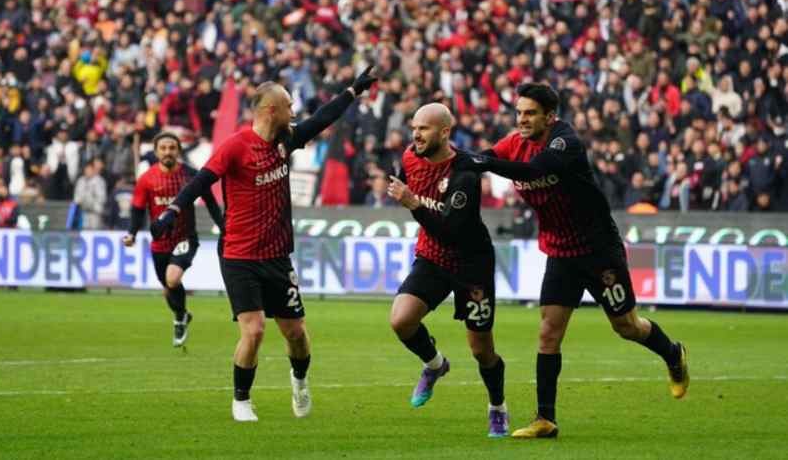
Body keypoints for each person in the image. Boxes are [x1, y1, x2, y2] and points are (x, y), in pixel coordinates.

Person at [454, 83, 689, 439]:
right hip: (560, 252)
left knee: (626, 326)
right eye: (519, 112)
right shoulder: (513, 142)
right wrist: (453, 170)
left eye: (530, 113)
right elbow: (483, 159)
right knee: (548, 332)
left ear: (550, 116)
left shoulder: (565, 142)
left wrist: (477, 161)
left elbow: (533, 171)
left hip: (598, 249)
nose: (522, 119)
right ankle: (545, 419)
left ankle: (673, 353)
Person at [151, 68, 378, 421]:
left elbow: (322, 119)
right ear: (271, 109)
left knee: (296, 334)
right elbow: (200, 182)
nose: (294, 112)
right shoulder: (236, 147)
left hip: (277, 257)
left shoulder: (286, 139)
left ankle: (299, 380)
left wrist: (352, 91)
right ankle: (241, 399)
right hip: (239, 256)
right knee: (254, 330)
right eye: (289, 105)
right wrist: (172, 211)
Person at [385, 103, 508, 438]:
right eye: (414, 127)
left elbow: (450, 231)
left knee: (481, 349)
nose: (416, 135)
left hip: (471, 264)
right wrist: (410, 197)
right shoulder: (411, 157)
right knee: (401, 319)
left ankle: (497, 407)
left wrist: (413, 203)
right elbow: (405, 179)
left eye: (424, 128)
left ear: (444, 132)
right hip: (433, 257)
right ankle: (435, 364)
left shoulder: (465, 176)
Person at [122, 132, 224, 348]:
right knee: (168, 288)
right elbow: (137, 210)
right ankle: (182, 315)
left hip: (185, 237)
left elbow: (211, 203)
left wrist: (224, 227)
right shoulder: (146, 179)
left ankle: (179, 318)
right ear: (156, 151)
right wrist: (131, 233)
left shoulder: (192, 176)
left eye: (172, 147)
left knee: (173, 279)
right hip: (159, 242)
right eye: (163, 148)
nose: (168, 152)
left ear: (178, 150)